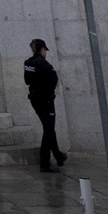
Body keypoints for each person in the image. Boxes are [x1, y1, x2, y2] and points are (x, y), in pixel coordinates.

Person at [24, 38, 67, 173]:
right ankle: (44, 163)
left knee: (49, 128)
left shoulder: (28, 63)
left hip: (35, 99)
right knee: (48, 130)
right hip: (46, 101)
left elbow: (27, 81)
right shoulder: (44, 64)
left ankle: (58, 156)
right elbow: (53, 81)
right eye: (45, 50)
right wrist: (48, 95)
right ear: (42, 50)